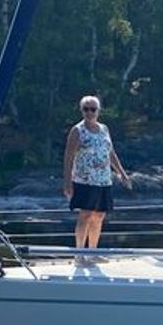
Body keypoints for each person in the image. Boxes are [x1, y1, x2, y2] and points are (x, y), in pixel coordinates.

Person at [63, 94, 130, 249]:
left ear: (98, 111)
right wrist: (67, 183)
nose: (89, 112)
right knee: (85, 214)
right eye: (86, 109)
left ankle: (93, 251)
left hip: (103, 180)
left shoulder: (104, 129)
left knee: (99, 215)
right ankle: (80, 253)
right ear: (81, 111)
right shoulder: (77, 131)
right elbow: (68, 158)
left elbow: (110, 152)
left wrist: (122, 173)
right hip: (85, 180)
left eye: (93, 109)